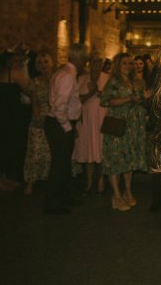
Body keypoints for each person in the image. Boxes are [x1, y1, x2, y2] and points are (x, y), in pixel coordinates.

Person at [100, 53, 148, 212]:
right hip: (117, 126)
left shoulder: (136, 81)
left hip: (132, 127)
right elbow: (106, 101)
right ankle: (116, 195)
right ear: (117, 65)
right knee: (115, 160)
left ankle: (127, 191)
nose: (128, 66)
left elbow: (141, 99)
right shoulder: (113, 81)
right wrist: (128, 100)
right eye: (124, 63)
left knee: (129, 160)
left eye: (130, 63)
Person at [44, 43, 88, 215]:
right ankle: (52, 203)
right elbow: (58, 105)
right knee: (59, 165)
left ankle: (63, 197)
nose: (85, 61)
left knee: (64, 164)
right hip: (59, 124)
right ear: (78, 57)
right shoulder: (68, 75)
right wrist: (67, 127)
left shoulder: (64, 72)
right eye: (84, 58)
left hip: (59, 123)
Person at [0, 51, 29, 191]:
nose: (18, 63)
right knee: (3, 145)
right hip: (8, 115)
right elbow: (29, 89)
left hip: (0, 114)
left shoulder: (3, 73)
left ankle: (3, 178)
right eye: (16, 61)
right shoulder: (15, 73)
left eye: (19, 61)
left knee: (1, 144)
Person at [72, 53, 109, 195]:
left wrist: (98, 92)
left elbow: (110, 98)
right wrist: (90, 93)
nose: (96, 65)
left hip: (101, 118)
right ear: (89, 63)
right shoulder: (81, 79)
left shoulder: (107, 78)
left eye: (99, 62)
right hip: (86, 120)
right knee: (88, 150)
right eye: (94, 62)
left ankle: (100, 181)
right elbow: (76, 100)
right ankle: (88, 181)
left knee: (100, 149)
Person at [23, 51, 54, 196]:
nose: (43, 65)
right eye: (40, 63)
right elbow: (34, 102)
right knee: (35, 151)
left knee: (51, 152)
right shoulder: (35, 82)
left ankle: (50, 180)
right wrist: (37, 118)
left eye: (46, 61)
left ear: (51, 62)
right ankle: (30, 182)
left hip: (55, 118)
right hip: (40, 117)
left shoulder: (58, 79)